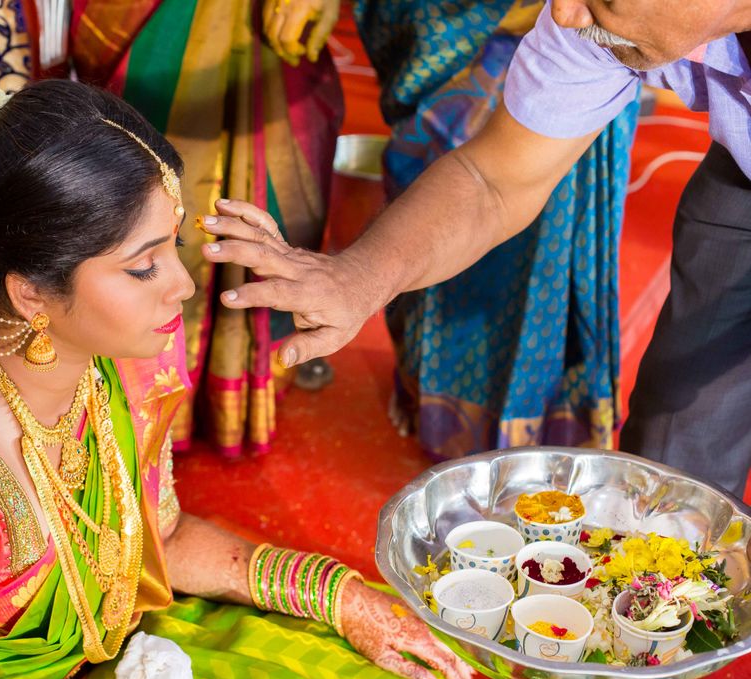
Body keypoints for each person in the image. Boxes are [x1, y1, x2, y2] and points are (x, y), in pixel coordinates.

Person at [0, 80, 477, 679]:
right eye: (143, 267)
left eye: (173, 246)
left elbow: (155, 540)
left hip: (102, 655)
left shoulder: (116, 361)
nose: (184, 286)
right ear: (30, 292)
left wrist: (340, 597)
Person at [201, 0, 751, 499]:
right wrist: (358, 279)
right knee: (672, 471)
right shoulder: (591, 16)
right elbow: (493, 181)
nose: (562, 14)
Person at [355, 0, 638, 458]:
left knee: (551, 260)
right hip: (473, 69)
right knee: (439, 231)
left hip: (582, 61)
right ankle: (436, 407)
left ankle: (542, 426)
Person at [68, 0, 344, 457]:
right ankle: (131, 395)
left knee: (276, 197)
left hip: (274, 33)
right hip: (159, 24)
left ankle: (239, 383)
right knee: (144, 191)